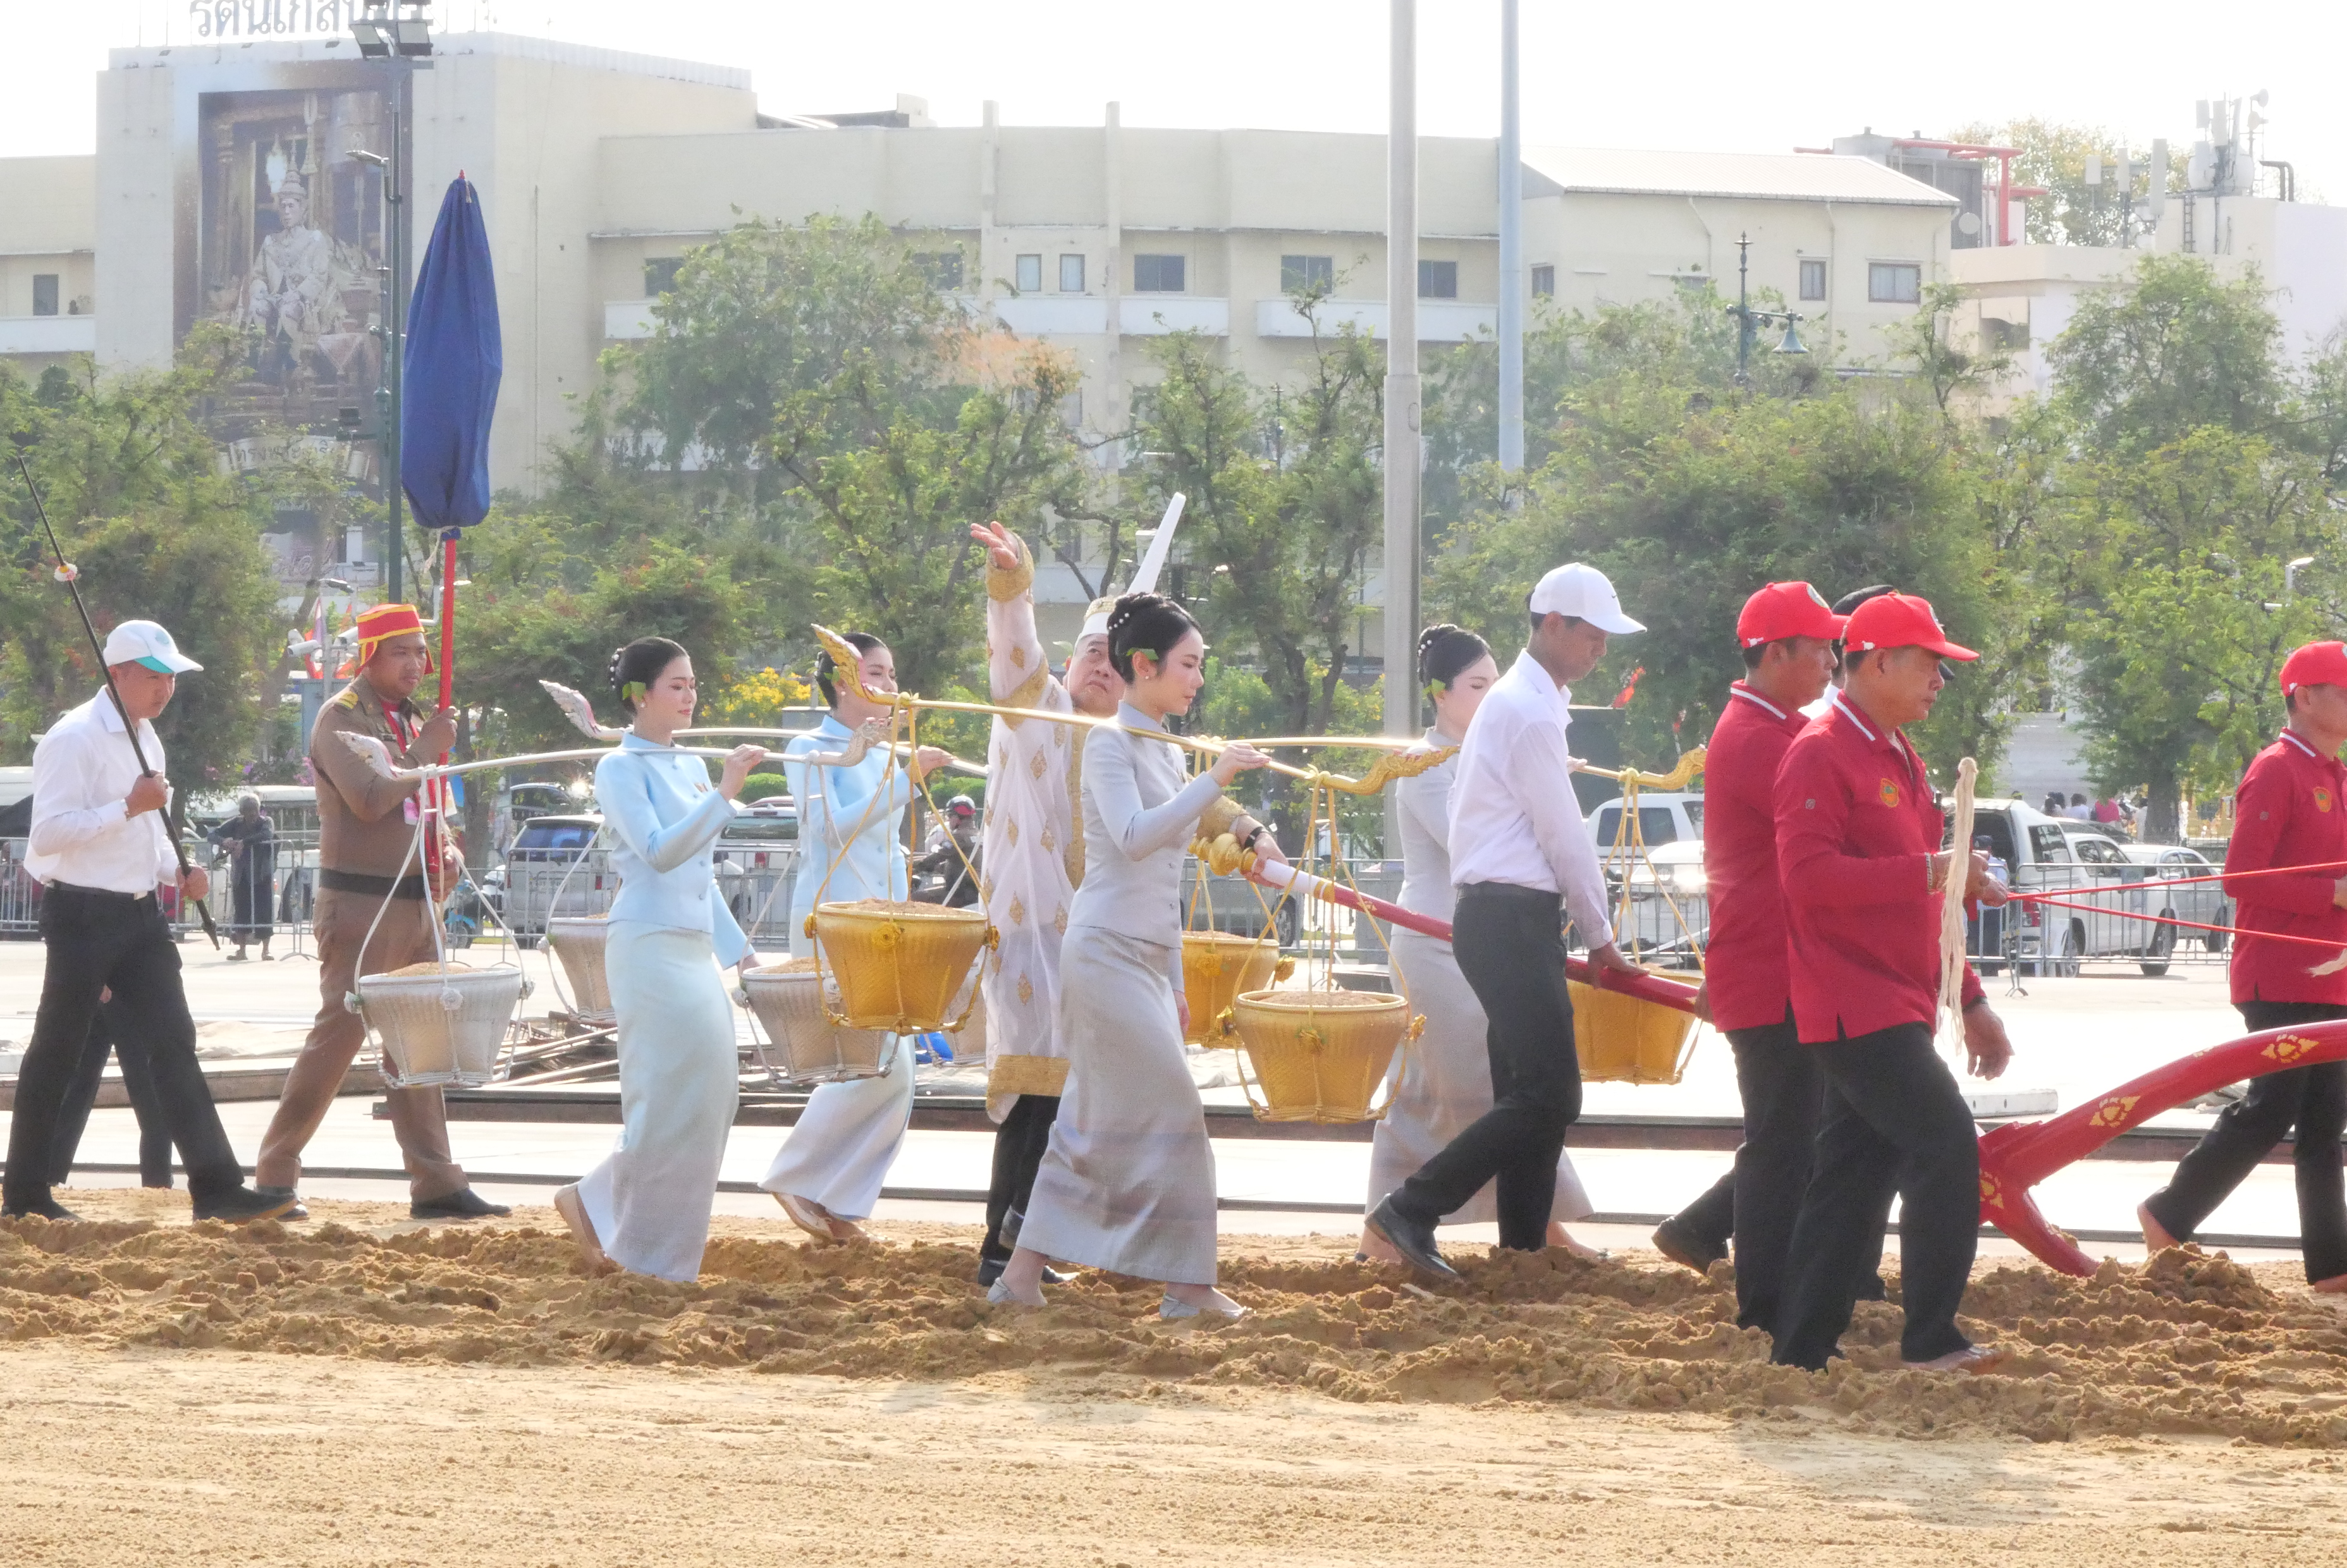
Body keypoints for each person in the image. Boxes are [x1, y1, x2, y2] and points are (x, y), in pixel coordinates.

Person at [992, 592, 1278, 1315]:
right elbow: (1130, 837)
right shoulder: (1112, 743)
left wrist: (1175, 976)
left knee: (1088, 1121)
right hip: (1103, 951)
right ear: (1143, 665)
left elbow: (1164, 877)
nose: (1198, 680)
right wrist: (1215, 779)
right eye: (1188, 664)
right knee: (1174, 1113)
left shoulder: (1163, 748)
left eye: (1200, 666)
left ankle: (1018, 1277)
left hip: (1143, 957)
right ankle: (1186, 1285)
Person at [1365, 564, 1646, 1280]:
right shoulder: (1523, 710)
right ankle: (1411, 1206)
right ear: (1551, 623)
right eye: (1590, 634)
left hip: (1505, 918)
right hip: (1508, 917)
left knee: (1531, 1094)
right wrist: (1602, 938)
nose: (1599, 650)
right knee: (1554, 1094)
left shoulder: (1528, 703)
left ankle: (1521, 1251)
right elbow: (1564, 836)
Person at [1768, 591, 2016, 1375]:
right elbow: (1805, 880)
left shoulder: (1898, 755)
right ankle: (1930, 1334)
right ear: (1875, 661)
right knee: (1946, 1146)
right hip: (1854, 1000)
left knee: (1852, 1176)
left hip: (1894, 997)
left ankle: (1801, 1349)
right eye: (1930, 663)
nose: (1941, 680)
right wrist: (1934, 870)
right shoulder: (1819, 750)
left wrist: (1967, 994)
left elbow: (1922, 896)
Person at [2, 620, 290, 1223]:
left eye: (171, 679)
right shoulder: (72, 737)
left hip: (138, 917)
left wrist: (175, 873)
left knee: (174, 1044)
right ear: (119, 674)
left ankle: (215, 1187)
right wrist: (128, 804)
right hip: (81, 912)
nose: (165, 690)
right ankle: (25, 1193)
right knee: (58, 1049)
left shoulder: (148, 738)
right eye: (155, 678)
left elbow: (151, 832)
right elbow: (49, 836)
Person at [252, 603, 508, 1222]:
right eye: (402, 651)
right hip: (361, 905)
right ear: (370, 656)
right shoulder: (338, 718)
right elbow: (369, 798)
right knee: (337, 1040)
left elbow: (427, 807)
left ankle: (437, 1182)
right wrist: (424, 751)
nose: (417, 663)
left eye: (422, 651)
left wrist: (446, 849)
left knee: (416, 1045)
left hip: (418, 902)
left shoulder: (412, 719)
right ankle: (273, 1174)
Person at [1648, 583, 1845, 1334]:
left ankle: (1737, 1259)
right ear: (1776, 653)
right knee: (1785, 1142)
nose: (1832, 660)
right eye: (1821, 646)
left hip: (1769, 963)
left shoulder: (1765, 727)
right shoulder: (1766, 738)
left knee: (1795, 1134)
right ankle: (1762, 1306)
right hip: (1772, 968)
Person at [552, 639, 768, 1280]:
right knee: (665, 1097)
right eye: (676, 684)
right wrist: (727, 791)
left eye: (692, 683)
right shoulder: (620, 768)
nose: (690, 694)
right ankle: (646, 1256)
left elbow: (699, 875)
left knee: (713, 1094)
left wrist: (744, 953)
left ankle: (596, 1202)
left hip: (693, 944)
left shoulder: (693, 763)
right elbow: (660, 852)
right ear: (639, 696)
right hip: (645, 945)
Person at [2139, 640, 2347, 1293]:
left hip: (2329, 971)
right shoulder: (2277, 768)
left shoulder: (2333, 774)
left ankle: (2331, 1265)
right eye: (2342, 690)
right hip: (2281, 971)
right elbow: (2241, 876)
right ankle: (2169, 1211)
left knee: (2325, 1120)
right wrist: (2332, 894)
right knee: (2271, 1106)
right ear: (2304, 697)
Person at [965, 520, 1132, 1287]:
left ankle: (1020, 1245)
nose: (1103, 669)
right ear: (1069, 662)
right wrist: (1012, 586)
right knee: (1041, 1092)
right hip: (1035, 933)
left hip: (1098, 941)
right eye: (1091, 653)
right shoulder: (1042, 709)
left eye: (1117, 658)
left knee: (1068, 1098)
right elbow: (1014, 659)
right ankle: (1006, 1250)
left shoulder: (1134, 746)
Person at [759, 632, 950, 1242]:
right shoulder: (809, 748)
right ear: (844, 682)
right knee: (878, 1065)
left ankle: (833, 1198)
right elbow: (828, 829)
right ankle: (801, 1177)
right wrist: (905, 781)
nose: (891, 686)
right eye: (877, 673)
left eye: (892, 674)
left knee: (895, 1070)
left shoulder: (882, 752)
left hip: (882, 923)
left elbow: (882, 838)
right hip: (836, 919)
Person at [48, 1002, 175, 1189]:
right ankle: (158, 1178)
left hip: (114, 993)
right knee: (147, 1091)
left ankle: (48, 1171)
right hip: (121, 995)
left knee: (78, 1087)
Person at [206, 790, 276, 960]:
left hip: (261, 873)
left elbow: (267, 835)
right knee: (241, 912)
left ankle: (266, 950)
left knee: (264, 911)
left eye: (255, 811)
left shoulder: (266, 822)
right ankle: (242, 951)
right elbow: (211, 835)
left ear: (259, 810)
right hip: (242, 874)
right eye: (248, 811)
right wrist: (224, 841)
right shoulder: (236, 824)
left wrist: (244, 842)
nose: (252, 815)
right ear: (242, 812)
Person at [912, 795, 981, 907]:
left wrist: (913, 866)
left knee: (916, 897)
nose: (948, 819)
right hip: (970, 892)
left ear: (958, 817)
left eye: (950, 816)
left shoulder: (960, 836)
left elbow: (938, 856)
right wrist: (940, 867)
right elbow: (960, 862)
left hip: (960, 894)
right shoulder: (976, 834)